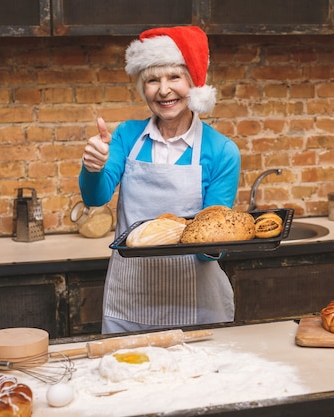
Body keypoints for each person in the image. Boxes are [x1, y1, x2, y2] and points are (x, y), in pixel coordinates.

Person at [79, 26, 241, 334]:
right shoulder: (127, 137)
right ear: (144, 88)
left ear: (193, 84)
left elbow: (210, 244)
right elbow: (95, 197)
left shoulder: (221, 151)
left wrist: (221, 240)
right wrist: (93, 167)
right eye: (153, 80)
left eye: (174, 78)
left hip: (196, 305)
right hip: (130, 301)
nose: (163, 90)